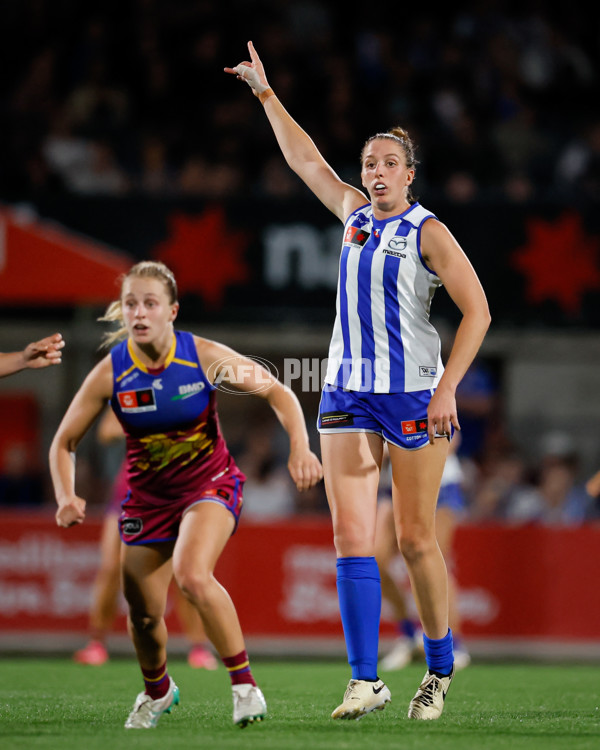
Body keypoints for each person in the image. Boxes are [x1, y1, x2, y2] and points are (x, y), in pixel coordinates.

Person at [226, 42, 490, 722]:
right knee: (350, 537)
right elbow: (305, 159)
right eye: (370, 163)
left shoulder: (428, 231)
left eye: (389, 164)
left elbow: (479, 311)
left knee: (413, 539)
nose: (376, 173)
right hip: (344, 390)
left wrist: (447, 389)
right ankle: (365, 679)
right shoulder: (351, 216)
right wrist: (264, 94)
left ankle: (437, 670)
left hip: (412, 394)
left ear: (409, 175)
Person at [49, 260, 323, 729]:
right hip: (145, 502)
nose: (139, 312)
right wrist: (66, 495)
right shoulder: (112, 372)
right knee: (144, 617)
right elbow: (63, 443)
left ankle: (245, 687)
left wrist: (301, 445)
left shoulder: (203, 356)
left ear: (171, 311)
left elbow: (280, 393)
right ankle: (157, 691)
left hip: (209, 486)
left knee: (193, 575)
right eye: (130, 303)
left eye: (150, 303)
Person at [74, 407, 218, 670]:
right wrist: (148, 421)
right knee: (111, 568)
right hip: (129, 491)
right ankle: (96, 643)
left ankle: (198, 647)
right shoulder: (129, 388)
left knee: (181, 571)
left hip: (172, 492)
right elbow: (106, 432)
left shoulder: (185, 391)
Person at [376, 439, 471, 672]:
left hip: (436, 477)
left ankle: (453, 645)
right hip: (397, 480)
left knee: (434, 558)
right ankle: (409, 636)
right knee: (374, 559)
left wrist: (404, 446)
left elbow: (452, 435)